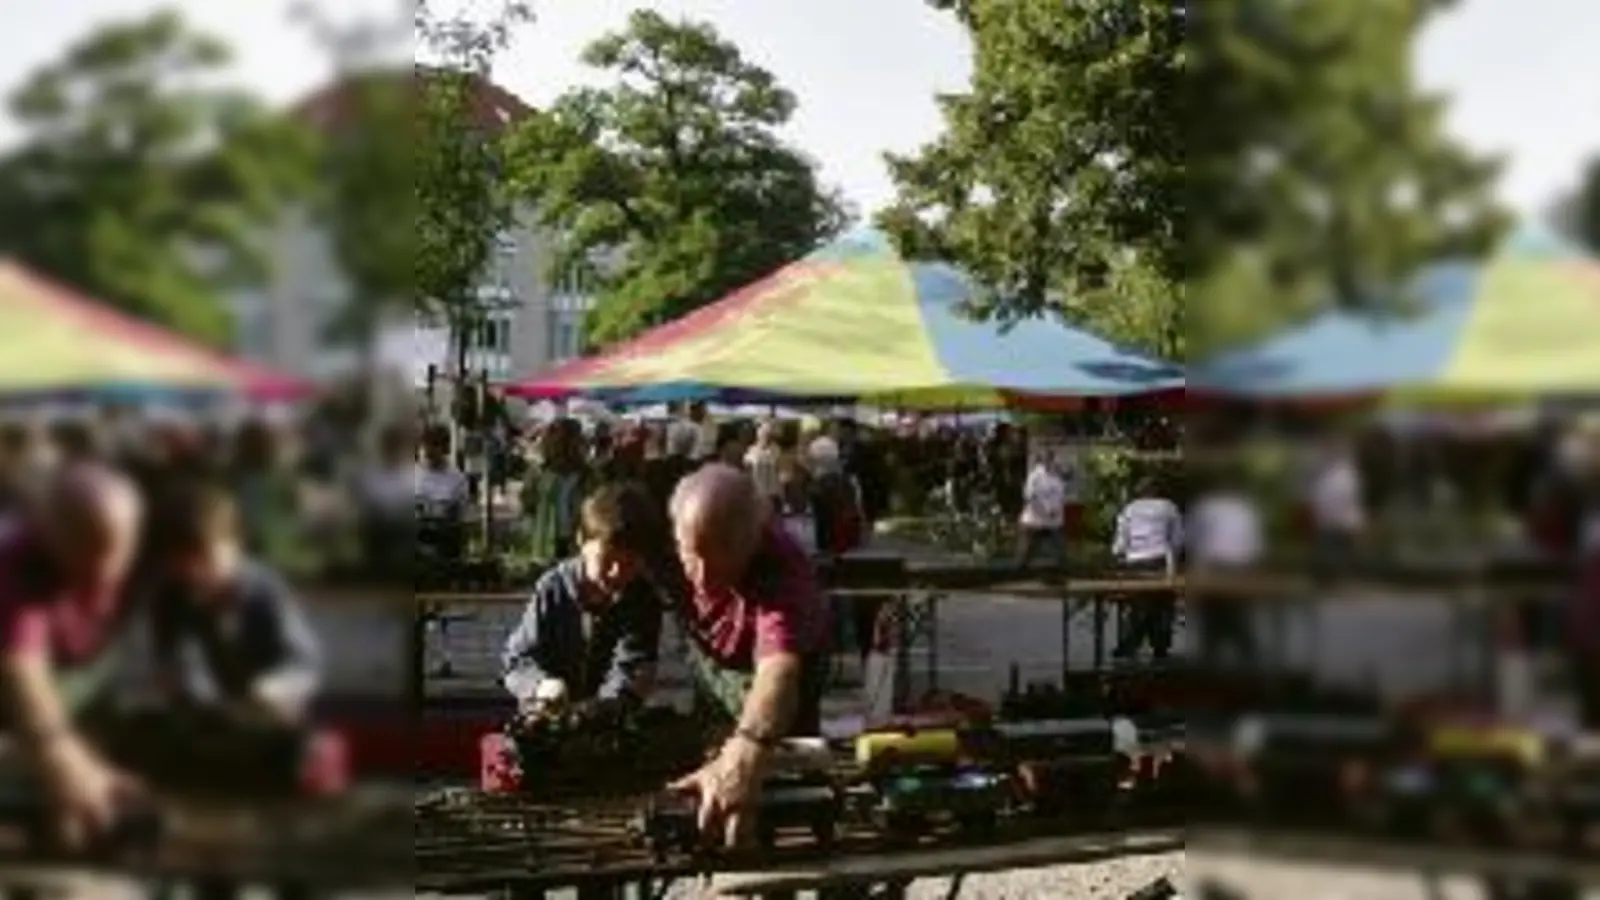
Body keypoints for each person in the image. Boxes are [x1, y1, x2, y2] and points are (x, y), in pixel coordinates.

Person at [659, 465, 830, 847]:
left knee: (780, 805)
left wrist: (748, 749)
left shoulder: (785, 568)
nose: (702, 578)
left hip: (780, 692)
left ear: (752, 540)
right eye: (692, 556)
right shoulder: (657, 541)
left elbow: (778, 669)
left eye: (719, 557)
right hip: (715, 672)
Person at [0, 464, 145, 850]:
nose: (103, 569)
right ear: (52, 533)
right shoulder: (17, 561)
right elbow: (22, 669)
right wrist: (62, 759)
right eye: (87, 548)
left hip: (85, 676)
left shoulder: (156, 551)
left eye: (115, 550)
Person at [142, 481, 322, 723]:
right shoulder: (173, 596)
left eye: (206, 560)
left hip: (271, 714)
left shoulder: (264, 592)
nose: (196, 574)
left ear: (235, 545)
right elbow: (176, 662)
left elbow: (302, 663)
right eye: (183, 566)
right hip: (210, 718)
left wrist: (271, 690)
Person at [501, 483, 664, 712]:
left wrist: (599, 707)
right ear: (581, 541)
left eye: (629, 563)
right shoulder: (553, 589)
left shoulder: (642, 599)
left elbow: (633, 668)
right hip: (546, 714)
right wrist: (540, 686)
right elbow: (516, 661)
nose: (616, 572)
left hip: (608, 718)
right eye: (607, 560)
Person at [1109, 474, 1183, 661]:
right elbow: (1177, 540)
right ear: (1157, 490)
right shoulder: (1168, 507)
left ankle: (1129, 644)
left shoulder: (1129, 509)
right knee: (1162, 604)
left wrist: (1118, 556)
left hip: (1135, 562)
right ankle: (1159, 646)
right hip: (1159, 560)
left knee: (1139, 603)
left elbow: (1120, 543)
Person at [1017, 452, 1067, 570]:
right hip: (1034, 519)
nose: (1055, 464)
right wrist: (1045, 508)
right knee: (1028, 548)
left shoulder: (1057, 476)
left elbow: (1059, 496)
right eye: (1053, 462)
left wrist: (1055, 510)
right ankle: (1020, 570)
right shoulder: (1035, 476)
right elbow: (1029, 495)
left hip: (1053, 520)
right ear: (1046, 462)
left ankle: (1063, 569)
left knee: (1059, 546)